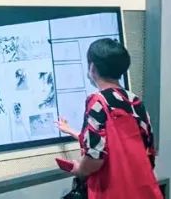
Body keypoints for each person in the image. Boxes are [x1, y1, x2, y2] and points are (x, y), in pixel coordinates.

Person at [55, 38, 161, 198]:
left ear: (92, 68)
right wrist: (72, 131)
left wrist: (79, 170)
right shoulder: (135, 101)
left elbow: (95, 157)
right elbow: (142, 147)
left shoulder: (98, 102)